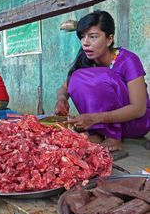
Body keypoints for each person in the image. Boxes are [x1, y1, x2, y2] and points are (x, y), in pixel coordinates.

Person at [55, 10, 150, 151]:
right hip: (101, 122)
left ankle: (113, 139)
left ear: (109, 39)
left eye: (93, 37)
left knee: (102, 76)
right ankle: (98, 134)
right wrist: (61, 99)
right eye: (82, 37)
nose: (85, 43)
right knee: (76, 77)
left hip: (133, 122)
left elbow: (139, 109)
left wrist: (95, 118)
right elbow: (65, 87)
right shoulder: (86, 59)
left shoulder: (128, 60)